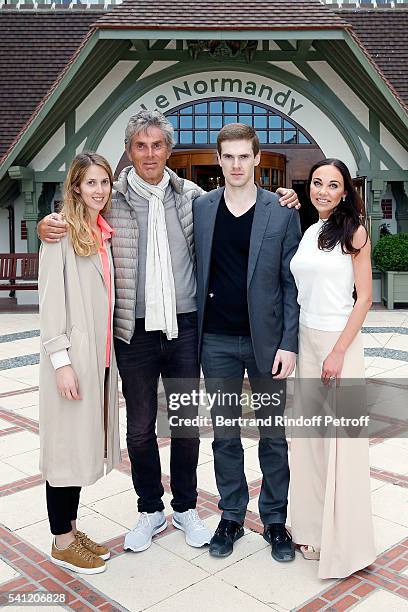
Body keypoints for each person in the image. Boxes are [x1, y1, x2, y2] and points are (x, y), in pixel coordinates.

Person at [38, 110, 299, 553]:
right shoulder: (111, 198)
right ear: (129, 152)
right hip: (134, 333)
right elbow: (77, 206)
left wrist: (286, 197)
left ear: (169, 150)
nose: (150, 153)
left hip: (185, 329)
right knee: (140, 428)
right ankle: (149, 509)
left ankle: (185, 507)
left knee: (185, 425)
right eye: (141, 146)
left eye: (157, 145)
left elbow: (259, 232)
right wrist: (50, 221)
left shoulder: (193, 198)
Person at [193, 123, 302, 561]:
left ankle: (275, 520)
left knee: (274, 436)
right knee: (224, 435)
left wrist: (289, 343)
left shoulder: (282, 210)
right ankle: (232, 516)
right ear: (218, 161)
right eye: (228, 156)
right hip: (215, 340)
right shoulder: (201, 207)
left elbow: (292, 284)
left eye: (244, 156)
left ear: (257, 159)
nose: (237, 164)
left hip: (268, 342)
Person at [289, 158, 376, 579]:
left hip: (338, 345)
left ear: (345, 191)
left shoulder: (354, 231)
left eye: (333, 184)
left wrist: (340, 350)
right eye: (318, 183)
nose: (323, 190)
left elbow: (364, 299)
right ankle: (313, 529)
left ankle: (345, 545)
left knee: (342, 444)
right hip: (307, 341)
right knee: (309, 442)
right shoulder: (309, 230)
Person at [38, 152, 121, 574]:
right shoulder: (60, 235)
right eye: (91, 183)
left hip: (100, 361)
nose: (100, 190)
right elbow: (51, 303)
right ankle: (61, 540)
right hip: (72, 361)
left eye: (104, 182)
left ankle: (71, 527)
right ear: (75, 187)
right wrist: (60, 361)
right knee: (64, 451)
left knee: (79, 446)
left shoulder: (101, 232)